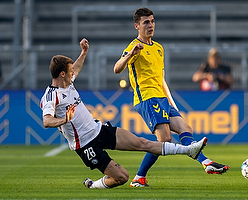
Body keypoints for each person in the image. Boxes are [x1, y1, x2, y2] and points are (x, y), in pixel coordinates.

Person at [40, 38, 208, 189]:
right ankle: (92, 185)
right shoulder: (51, 96)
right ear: (62, 74)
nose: (73, 73)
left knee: (143, 143)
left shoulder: (67, 83)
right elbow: (47, 121)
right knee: (122, 177)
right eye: (70, 72)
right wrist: (64, 119)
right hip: (85, 145)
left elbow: (75, 67)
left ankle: (189, 150)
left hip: (99, 130)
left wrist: (84, 53)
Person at [113, 7, 229, 187]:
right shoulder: (134, 47)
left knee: (185, 128)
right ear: (137, 26)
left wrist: (171, 103)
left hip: (162, 98)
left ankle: (205, 163)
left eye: (152, 21)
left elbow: (161, 79)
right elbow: (117, 69)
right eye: (146, 22)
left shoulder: (159, 48)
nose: (150, 25)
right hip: (147, 98)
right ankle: (140, 178)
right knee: (164, 139)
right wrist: (130, 55)